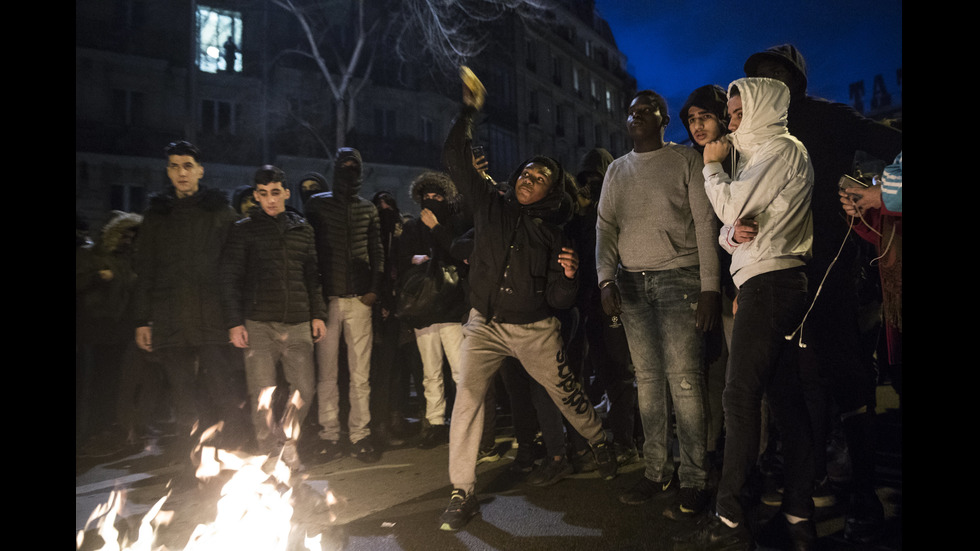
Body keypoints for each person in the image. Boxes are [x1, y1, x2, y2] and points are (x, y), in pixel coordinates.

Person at [436, 68, 617, 532]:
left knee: (567, 393)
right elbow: (455, 158)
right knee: (468, 400)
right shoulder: (492, 205)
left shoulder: (554, 233)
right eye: (526, 172)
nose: (529, 179)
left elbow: (559, 299)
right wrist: (468, 112)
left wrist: (569, 276)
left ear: (551, 191)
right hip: (484, 325)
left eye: (540, 177)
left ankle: (600, 440)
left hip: (534, 330)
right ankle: (462, 491)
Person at [744, 44, 902, 543]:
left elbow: (893, 145)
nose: (766, 83)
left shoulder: (830, 118)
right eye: (758, 76)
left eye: (776, 74)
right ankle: (800, 489)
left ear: (797, 81)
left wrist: (881, 191)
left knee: (847, 378)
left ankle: (863, 492)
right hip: (771, 276)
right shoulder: (748, 134)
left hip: (831, 269)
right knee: (785, 382)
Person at [674, 78, 817, 550]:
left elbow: (732, 204)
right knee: (784, 400)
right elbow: (730, 229)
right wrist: (733, 239)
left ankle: (730, 522)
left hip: (773, 283)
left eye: (737, 112)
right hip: (766, 280)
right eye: (731, 113)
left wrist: (712, 171)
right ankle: (798, 517)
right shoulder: (759, 156)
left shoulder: (780, 148)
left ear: (760, 111)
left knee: (739, 396)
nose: (730, 121)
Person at [596, 89, 721, 520]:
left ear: (664, 119)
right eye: (631, 112)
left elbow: (705, 223)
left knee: (685, 382)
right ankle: (656, 470)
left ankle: (694, 478)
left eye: (646, 110)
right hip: (631, 283)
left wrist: (710, 287)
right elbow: (605, 227)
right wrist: (604, 278)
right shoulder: (616, 170)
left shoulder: (686, 161)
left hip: (679, 279)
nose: (637, 117)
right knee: (647, 383)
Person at [133, 140, 250, 467]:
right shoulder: (157, 217)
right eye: (174, 166)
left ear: (200, 170)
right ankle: (193, 465)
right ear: (167, 171)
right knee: (184, 398)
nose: (181, 173)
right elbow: (145, 270)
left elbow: (233, 270)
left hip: (212, 318)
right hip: (170, 319)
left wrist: (234, 318)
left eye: (187, 166)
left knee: (223, 391)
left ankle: (233, 457)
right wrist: (143, 320)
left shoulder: (221, 214)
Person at [220, 165, 328, 471]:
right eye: (263, 194)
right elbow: (229, 278)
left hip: (297, 322)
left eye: (275, 193)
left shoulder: (302, 229)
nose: (270, 200)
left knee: (305, 389)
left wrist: (318, 314)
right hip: (259, 324)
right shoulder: (244, 229)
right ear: (255, 195)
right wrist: (234, 322)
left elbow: (313, 276)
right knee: (262, 395)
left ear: (286, 193)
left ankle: (287, 443)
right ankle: (270, 455)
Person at [304, 148, 385, 463]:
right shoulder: (318, 205)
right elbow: (309, 254)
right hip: (328, 302)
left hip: (359, 301)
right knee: (327, 374)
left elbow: (377, 250)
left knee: (359, 374)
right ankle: (329, 435)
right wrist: (316, 299)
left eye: (355, 167)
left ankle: (359, 435)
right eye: (345, 166)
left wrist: (374, 290)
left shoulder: (367, 209)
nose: (350, 171)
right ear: (337, 169)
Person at [395, 171, 470, 449]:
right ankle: (435, 422)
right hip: (423, 309)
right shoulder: (413, 228)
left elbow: (458, 254)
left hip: (450, 307)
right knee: (431, 372)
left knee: (460, 370)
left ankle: (464, 421)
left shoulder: (453, 224)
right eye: (426, 196)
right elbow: (402, 259)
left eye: (437, 196)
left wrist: (438, 228)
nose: (431, 200)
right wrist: (417, 258)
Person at [76, 211, 143, 455]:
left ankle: (103, 430)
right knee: (92, 384)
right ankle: (87, 433)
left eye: (132, 236)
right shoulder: (93, 256)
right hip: (96, 329)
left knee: (114, 383)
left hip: (119, 331)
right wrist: (97, 277)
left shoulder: (130, 259)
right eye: (125, 235)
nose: (128, 240)